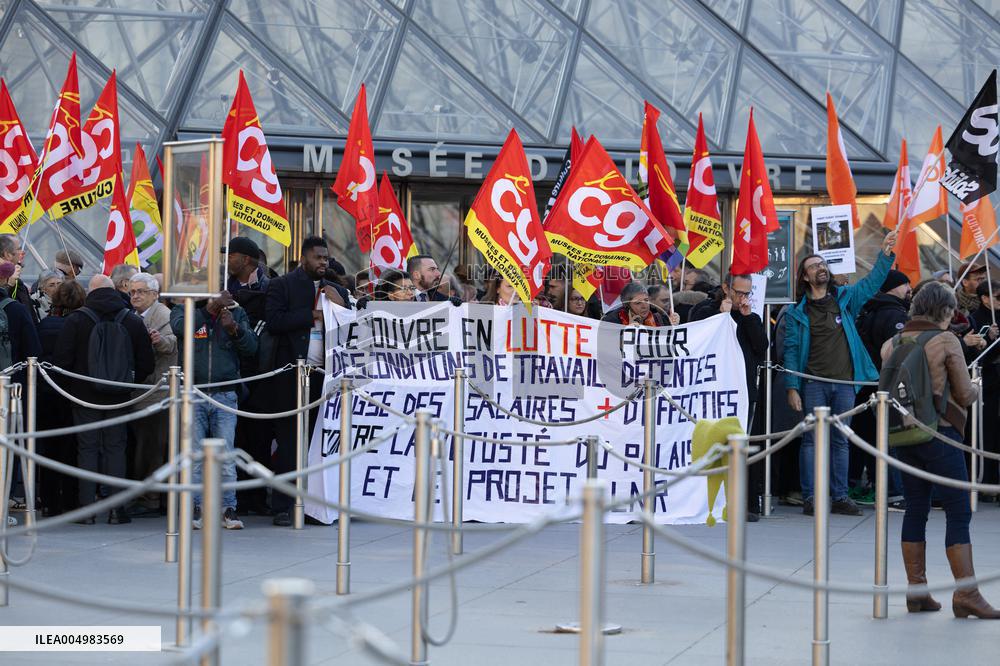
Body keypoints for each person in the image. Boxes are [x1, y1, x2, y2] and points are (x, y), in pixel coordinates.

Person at [880, 281, 999, 618]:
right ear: (945, 311)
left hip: (904, 437)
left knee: (916, 508)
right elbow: (963, 394)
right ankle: (967, 594)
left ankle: (917, 592)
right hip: (941, 436)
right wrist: (975, 390)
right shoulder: (947, 340)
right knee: (959, 512)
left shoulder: (892, 343)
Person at [784, 229, 897, 517]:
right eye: (814, 266)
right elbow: (792, 352)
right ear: (805, 277)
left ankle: (840, 496)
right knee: (811, 440)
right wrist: (792, 387)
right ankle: (811, 497)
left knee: (841, 439)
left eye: (823, 264)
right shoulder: (798, 312)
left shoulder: (845, 299)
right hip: (813, 384)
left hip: (844, 384)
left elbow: (872, 283)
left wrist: (884, 254)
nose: (821, 268)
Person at [52, 275, 154, 524]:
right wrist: (126, 383)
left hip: (83, 396)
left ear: (91, 291)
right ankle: (116, 509)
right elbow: (146, 364)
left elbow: (61, 362)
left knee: (86, 448)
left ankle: (87, 510)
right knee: (116, 448)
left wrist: (76, 387)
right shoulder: (131, 319)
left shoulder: (77, 319)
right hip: (119, 395)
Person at [265, 236, 350, 526]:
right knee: (289, 443)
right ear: (304, 259)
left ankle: (316, 505)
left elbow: (352, 326)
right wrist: (312, 315)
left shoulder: (337, 289)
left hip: (325, 378)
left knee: (319, 441)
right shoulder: (283, 285)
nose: (323, 262)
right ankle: (284, 505)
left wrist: (341, 305)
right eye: (318, 257)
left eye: (326, 258)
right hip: (290, 376)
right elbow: (274, 321)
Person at [171, 290, 256, 530]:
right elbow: (180, 329)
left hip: (225, 392)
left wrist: (234, 330)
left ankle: (228, 507)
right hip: (194, 391)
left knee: (227, 455)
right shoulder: (185, 307)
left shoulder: (236, 310)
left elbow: (251, 348)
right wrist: (209, 310)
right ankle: (196, 506)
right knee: (195, 456)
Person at [690, 273, 768, 520]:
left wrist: (747, 319)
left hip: (743, 390)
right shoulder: (705, 310)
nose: (743, 298)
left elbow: (761, 346)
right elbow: (698, 339)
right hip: (712, 391)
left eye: (747, 293)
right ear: (726, 288)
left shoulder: (750, 317)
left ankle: (747, 504)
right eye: (738, 292)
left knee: (745, 447)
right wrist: (721, 317)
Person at [852, 269, 912, 510]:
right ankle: (894, 492)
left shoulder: (869, 309)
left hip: (867, 385)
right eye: (905, 284)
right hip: (887, 386)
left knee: (870, 438)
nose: (909, 288)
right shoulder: (895, 314)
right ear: (892, 288)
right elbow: (899, 354)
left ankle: (875, 487)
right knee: (891, 440)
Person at [223, 237, 274, 516]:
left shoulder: (270, 288)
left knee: (258, 437)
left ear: (247, 260)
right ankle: (236, 496)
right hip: (229, 372)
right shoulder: (221, 287)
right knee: (234, 437)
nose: (226, 260)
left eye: (231, 255)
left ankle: (256, 496)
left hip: (259, 374)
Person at [127, 273, 177, 516]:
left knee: (153, 445)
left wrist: (158, 341)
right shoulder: (134, 316)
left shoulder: (163, 315)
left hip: (157, 390)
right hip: (141, 390)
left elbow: (172, 343)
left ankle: (152, 498)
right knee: (143, 444)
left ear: (155, 295)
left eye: (141, 292)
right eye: (132, 292)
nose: (135, 295)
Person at [36, 281, 86, 516]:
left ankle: (48, 501)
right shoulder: (81, 325)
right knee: (71, 448)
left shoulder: (45, 324)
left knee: (49, 448)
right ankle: (70, 499)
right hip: (73, 393)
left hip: (46, 393)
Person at [967, 280, 1000, 493]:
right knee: (986, 433)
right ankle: (985, 481)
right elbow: (974, 359)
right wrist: (989, 339)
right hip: (986, 387)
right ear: (985, 298)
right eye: (998, 297)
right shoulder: (975, 320)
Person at [602, 282, 679, 326]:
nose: (644, 306)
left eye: (646, 300)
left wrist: (672, 326)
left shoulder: (660, 319)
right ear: (626, 305)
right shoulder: (611, 322)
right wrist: (628, 333)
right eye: (638, 303)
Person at [0, 235, 36, 323]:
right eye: (19, 248)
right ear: (7, 254)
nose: (23, 252)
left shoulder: (18, 282)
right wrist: (8, 286)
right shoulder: (7, 282)